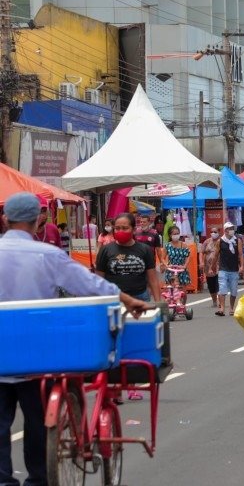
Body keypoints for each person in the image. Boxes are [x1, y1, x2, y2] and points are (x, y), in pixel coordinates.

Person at [0, 193, 149, 486]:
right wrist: (127, 299)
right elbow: (92, 286)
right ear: (38, 219)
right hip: (38, 357)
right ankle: (38, 480)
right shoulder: (48, 254)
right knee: (38, 422)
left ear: (5, 219)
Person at [96, 212, 162, 303]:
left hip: (140, 298)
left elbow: (153, 279)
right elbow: (99, 280)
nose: (120, 231)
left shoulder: (145, 250)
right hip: (114, 299)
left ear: (134, 230)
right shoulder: (105, 250)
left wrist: (159, 304)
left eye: (125, 228)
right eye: (117, 228)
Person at [215, 221, 244, 316]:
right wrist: (212, 266)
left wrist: (242, 266)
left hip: (234, 269)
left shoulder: (237, 241)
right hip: (223, 268)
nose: (232, 230)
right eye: (230, 229)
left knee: (234, 290)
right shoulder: (220, 241)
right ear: (225, 230)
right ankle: (222, 308)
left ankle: (231, 307)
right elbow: (216, 254)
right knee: (222, 289)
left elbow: (241, 254)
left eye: (232, 229)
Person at [160, 225, 191, 306]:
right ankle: (171, 306)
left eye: (177, 233)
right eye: (174, 234)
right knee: (170, 291)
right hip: (171, 270)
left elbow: (188, 256)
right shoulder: (168, 246)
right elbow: (162, 258)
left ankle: (183, 306)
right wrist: (167, 265)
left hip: (181, 270)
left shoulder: (183, 245)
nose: (176, 235)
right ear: (170, 235)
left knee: (183, 292)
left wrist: (184, 266)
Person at [200, 226, 221, 308]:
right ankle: (214, 301)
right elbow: (201, 252)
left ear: (219, 232)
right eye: (212, 232)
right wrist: (201, 262)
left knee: (218, 284)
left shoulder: (221, 241)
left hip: (219, 266)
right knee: (211, 285)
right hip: (208, 268)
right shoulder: (207, 242)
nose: (213, 233)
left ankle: (220, 301)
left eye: (215, 232)